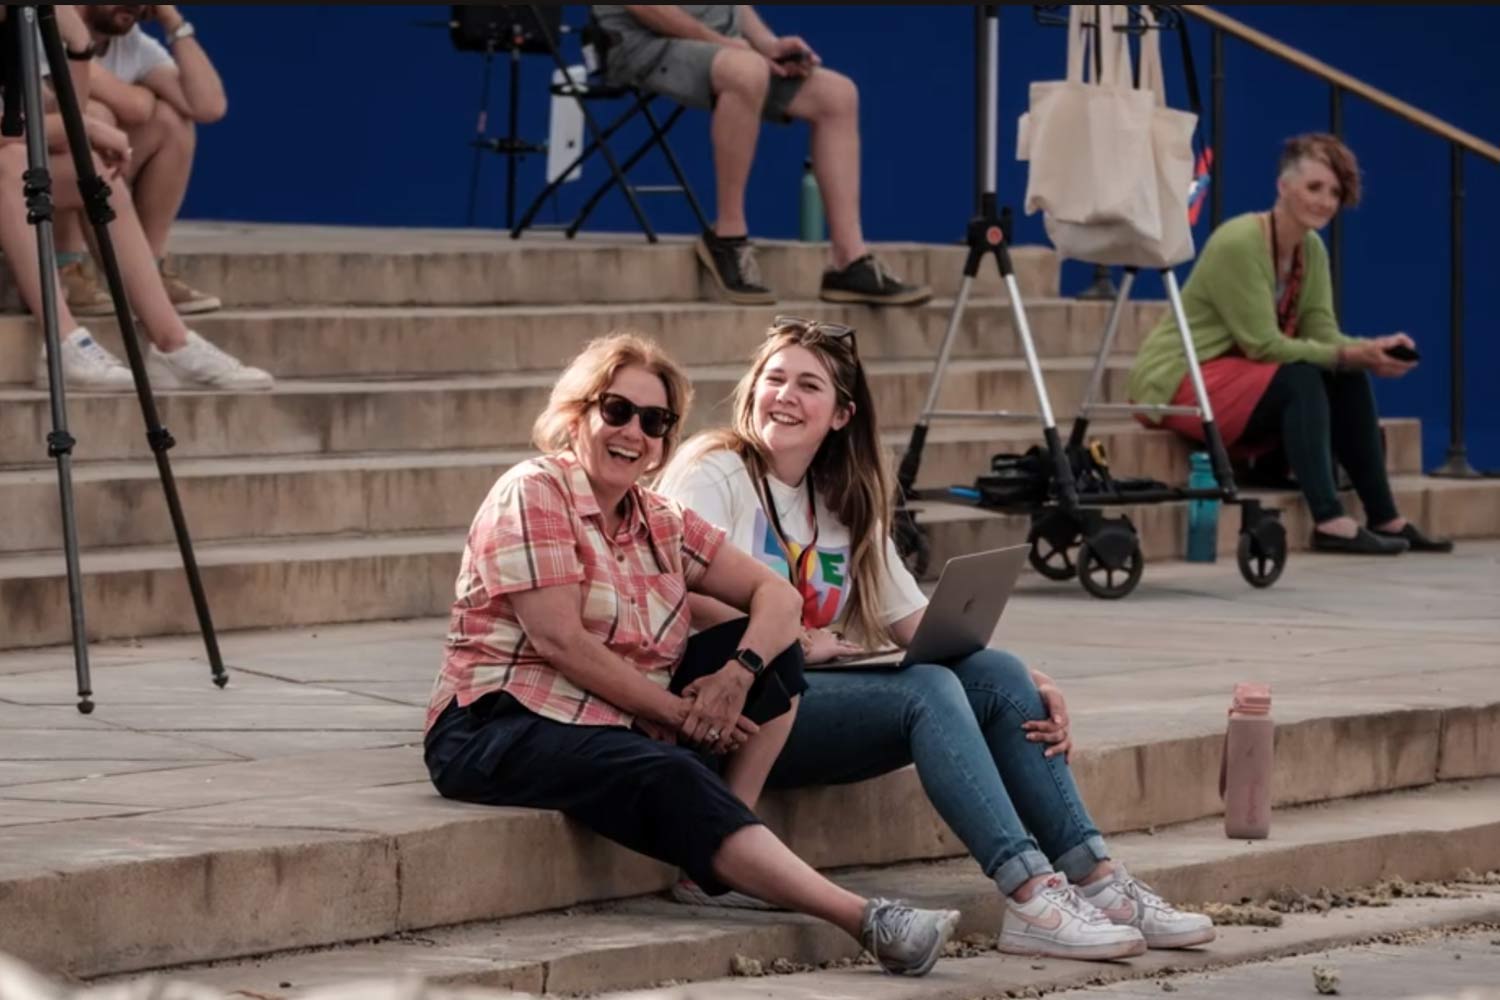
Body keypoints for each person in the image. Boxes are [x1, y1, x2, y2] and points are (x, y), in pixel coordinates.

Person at [655, 317, 1216, 962]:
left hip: (808, 700)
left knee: (998, 676)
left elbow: (915, 623)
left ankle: (1100, 881)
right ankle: (1031, 893)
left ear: (841, 414)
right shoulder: (716, 469)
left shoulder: (842, 499)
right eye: (773, 379)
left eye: (808, 385)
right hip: (735, 698)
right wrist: (798, 640)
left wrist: (1033, 681)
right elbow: (676, 592)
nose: (784, 395)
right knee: (925, 688)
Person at [423, 332, 959, 977]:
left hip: (609, 718)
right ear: (576, 414)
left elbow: (779, 598)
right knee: (669, 771)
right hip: (497, 723)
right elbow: (561, 643)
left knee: (773, 654)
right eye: (617, 410)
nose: (634, 433)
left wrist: (739, 674)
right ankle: (869, 921)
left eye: (655, 421)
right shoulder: (536, 491)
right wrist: (681, 715)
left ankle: (719, 855)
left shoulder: (659, 517)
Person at [1126, 133, 1451, 556]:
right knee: (1300, 377)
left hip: (1241, 378)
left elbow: (1323, 334)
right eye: (1314, 187)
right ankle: (1330, 519)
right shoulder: (1240, 240)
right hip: (1180, 376)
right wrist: (1350, 354)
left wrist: (1370, 350)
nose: (1325, 201)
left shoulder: (1310, 249)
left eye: (1334, 192)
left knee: (1345, 374)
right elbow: (1263, 345)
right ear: (1283, 187)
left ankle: (1385, 515)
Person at [0, 8, 269, 392]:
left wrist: (77, 45)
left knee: (91, 171)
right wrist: (90, 126)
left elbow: (66, 113)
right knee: (11, 162)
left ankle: (172, 342)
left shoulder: (22, 29)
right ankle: (62, 342)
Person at [591, 5, 931, 307]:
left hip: (720, 46)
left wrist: (768, 43)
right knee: (746, 71)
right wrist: (724, 43)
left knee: (838, 95)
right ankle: (728, 237)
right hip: (637, 43)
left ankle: (849, 260)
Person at [45, 3, 226, 316]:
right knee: (87, 120)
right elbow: (130, 107)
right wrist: (141, 98)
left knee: (173, 122)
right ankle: (64, 266)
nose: (136, 6)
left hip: (95, 177)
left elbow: (208, 105)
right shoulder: (50, 25)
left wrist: (173, 22)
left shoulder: (131, 43)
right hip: (25, 184)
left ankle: (149, 268)